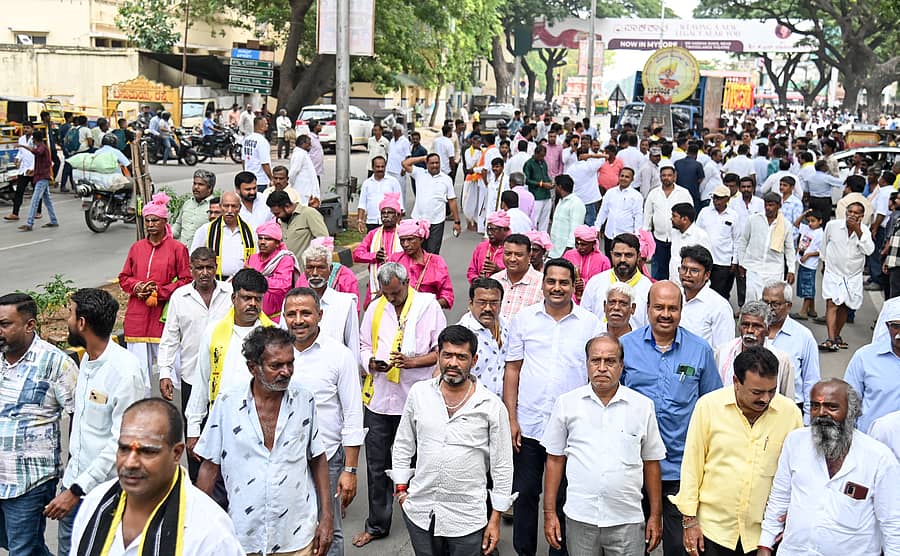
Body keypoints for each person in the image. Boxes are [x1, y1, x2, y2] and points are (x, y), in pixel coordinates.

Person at [195, 326, 334, 556]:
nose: (286, 371)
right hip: (244, 535)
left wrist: (327, 517)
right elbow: (209, 467)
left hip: (297, 535)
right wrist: (196, 524)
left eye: (290, 363)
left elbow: (317, 457)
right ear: (253, 367)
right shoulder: (227, 403)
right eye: (276, 366)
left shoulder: (304, 400)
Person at [503, 258, 604, 556]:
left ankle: (558, 552)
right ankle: (525, 552)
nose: (557, 288)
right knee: (525, 496)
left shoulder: (590, 324)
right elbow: (512, 370)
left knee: (563, 497)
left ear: (574, 286)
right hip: (530, 425)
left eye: (564, 282)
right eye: (551, 281)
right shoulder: (524, 319)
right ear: (542, 283)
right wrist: (511, 418)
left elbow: (595, 375)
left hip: (572, 429)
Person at [391, 325, 515, 555]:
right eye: (447, 355)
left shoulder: (490, 405)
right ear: (438, 355)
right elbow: (403, 443)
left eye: (461, 357)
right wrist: (401, 489)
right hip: (420, 511)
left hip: (467, 518)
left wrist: (495, 518)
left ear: (474, 360)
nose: (453, 363)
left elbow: (502, 466)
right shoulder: (419, 394)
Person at [620, 281, 722, 556]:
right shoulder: (624, 347)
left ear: (681, 310)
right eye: (659, 307)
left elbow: (714, 407)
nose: (665, 314)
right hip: (634, 466)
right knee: (630, 545)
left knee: (680, 547)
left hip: (681, 468)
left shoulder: (700, 350)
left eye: (672, 308)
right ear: (647, 309)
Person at [542, 333, 666, 555]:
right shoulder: (566, 404)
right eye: (595, 360)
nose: (601, 368)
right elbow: (554, 460)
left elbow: (651, 464)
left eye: (609, 361)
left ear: (621, 366)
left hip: (627, 519)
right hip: (580, 517)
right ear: (587, 364)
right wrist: (550, 512)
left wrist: (655, 516)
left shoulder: (642, 407)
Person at [71, 399, 245, 556]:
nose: (130, 463)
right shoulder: (95, 503)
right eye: (124, 449)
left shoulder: (210, 531)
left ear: (176, 453)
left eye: (147, 452)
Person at [672, 346, 802, 556]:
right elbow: (691, 466)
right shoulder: (708, 406)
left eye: (772, 391)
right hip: (713, 532)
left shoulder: (790, 414)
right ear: (736, 382)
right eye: (757, 392)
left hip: (764, 537)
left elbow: (798, 473)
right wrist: (689, 521)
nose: (766, 399)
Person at [48, 289, 149, 556]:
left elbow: (122, 442)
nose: (67, 321)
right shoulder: (88, 362)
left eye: (70, 314)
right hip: (74, 484)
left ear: (82, 323)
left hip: (106, 495)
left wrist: (78, 490)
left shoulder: (125, 372)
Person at [353, 263, 446, 548]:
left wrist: (413, 363)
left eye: (395, 293)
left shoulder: (428, 307)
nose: (391, 299)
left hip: (414, 399)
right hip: (380, 399)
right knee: (377, 465)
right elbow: (363, 344)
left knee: (419, 463)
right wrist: (370, 362)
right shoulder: (375, 307)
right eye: (387, 294)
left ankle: (421, 519)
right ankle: (378, 524)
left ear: (407, 283)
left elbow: (442, 351)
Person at [758, 379, 900, 555]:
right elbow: (779, 498)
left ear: (851, 411)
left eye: (832, 407)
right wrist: (765, 544)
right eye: (815, 406)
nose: (821, 413)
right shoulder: (795, 442)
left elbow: (893, 525)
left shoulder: (879, 459)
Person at [282, 288, 365, 556]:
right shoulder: (274, 354)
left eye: (305, 313)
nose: (298, 320)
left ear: (320, 315)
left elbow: (353, 414)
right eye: (291, 314)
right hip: (282, 459)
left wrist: (349, 471)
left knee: (328, 528)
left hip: (327, 459)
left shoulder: (339, 355)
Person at [0, 293, 77, 555]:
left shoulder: (56, 363)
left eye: (5, 324)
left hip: (29, 481)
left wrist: (73, 470)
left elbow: (78, 415)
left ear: (30, 325)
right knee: (21, 546)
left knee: (21, 549)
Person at [184, 269, 276, 459]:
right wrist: (193, 428)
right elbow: (202, 380)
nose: (252, 304)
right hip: (221, 425)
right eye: (246, 298)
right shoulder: (214, 331)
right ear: (234, 298)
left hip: (262, 427)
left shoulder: (273, 335)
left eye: (257, 299)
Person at [157, 247, 232, 476]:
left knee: (227, 436)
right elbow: (170, 337)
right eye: (199, 268)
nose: (205, 273)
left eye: (209, 267)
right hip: (191, 378)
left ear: (216, 267)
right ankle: (199, 490)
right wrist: (165, 372)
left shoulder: (230, 293)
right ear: (191, 270)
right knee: (195, 438)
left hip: (226, 379)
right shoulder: (180, 297)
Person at [119, 192, 192, 381]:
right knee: (138, 374)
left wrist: (160, 291)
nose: (150, 225)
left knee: (172, 370)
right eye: (148, 221)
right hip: (138, 315)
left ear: (164, 222)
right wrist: (138, 287)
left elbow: (186, 280)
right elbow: (124, 277)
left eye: (155, 220)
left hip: (164, 315)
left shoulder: (177, 248)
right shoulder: (137, 248)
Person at [762, 280, 821, 418]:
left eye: (775, 304)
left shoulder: (803, 336)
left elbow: (811, 380)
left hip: (791, 409)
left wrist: (807, 418)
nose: (769, 308)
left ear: (788, 306)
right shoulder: (754, 331)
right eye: (765, 303)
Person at [819, 201, 874, 351]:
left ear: (862, 216)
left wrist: (858, 230)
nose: (852, 215)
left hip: (852, 275)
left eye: (856, 213)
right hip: (833, 272)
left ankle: (836, 336)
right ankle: (830, 339)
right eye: (850, 211)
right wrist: (824, 263)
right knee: (831, 303)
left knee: (845, 305)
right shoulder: (833, 226)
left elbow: (869, 250)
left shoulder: (865, 231)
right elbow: (824, 244)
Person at [715, 301, 796, 398]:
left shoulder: (782, 360)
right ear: (739, 327)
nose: (749, 330)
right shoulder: (723, 352)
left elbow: (788, 401)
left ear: (768, 330)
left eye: (757, 326)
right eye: (745, 325)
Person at [290, 246, 360, 351]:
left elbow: (353, 346)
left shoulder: (346, 303)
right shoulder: (291, 302)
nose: (314, 273)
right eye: (310, 268)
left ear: (330, 269)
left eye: (320, 268)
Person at [843, 304, 900, 432]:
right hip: (871, 441)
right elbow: (849, 402)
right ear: (887, 326)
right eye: (896, 327)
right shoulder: (865, 357)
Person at [582, 233, 654, 329]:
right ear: (611, 254)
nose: (622, 260)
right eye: (618, 255)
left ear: (639, 256)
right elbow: (585, 319)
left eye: (628, 255)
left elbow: (650, 327)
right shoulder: (596, 282)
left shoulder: (648, 289)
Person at [737, 192, 796, 303]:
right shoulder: (753, 219)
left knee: (771, 303)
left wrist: (791, 270)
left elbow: (789, 249)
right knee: (751, 301)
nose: (768, 208)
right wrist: (741, 262)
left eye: (771, 205)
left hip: (774, 270)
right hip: (753, 267)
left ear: (779, 206)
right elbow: (743, 241)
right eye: (766, 205)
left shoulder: (786, 225)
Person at [457, 278, 508, 396]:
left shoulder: (507, 326)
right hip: (473, 407)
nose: (488, 308)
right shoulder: (461, 334)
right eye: (482, 302)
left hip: (501, 406)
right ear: (471, 303)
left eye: (494, 303)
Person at [678, 245, 735, 351]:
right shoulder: (675, 297)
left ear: (707, 275)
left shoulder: (719, 307)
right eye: (684, 268)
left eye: (694, 271)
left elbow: (724, 351)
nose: (687, 274)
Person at [644, 163, 694, 280]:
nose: (666, 178)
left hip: (678, 238)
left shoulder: (683, 193)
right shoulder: (654, 193)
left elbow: (690, 215)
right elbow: (647, 215)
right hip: (659, 239)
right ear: (660, 177)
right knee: (658, 271)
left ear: (674, 176)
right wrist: (646, 237)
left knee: (676, 269)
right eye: (664, 175)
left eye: (669, 175)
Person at [403, 153, 461, 254]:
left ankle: (431, 270)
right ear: (427, 164)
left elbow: (452, 200)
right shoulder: (419, 173)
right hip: (418, 221)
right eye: (432, 163)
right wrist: (422, 157)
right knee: (418, 252)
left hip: (436, 222)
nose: (435, 165)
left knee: (432, 252)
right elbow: (405, 163)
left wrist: (457, 222)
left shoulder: (446, 179)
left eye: (437, 163)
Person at [192, 191, 257, 280]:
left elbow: (256, 258)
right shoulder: (206, 230)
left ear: (240, 208)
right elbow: (194, 258)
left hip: (242, 282)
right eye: (226, 206)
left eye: (234, 206)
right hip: (214, 282)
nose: (230, 210)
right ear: (220, 206)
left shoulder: (250, 231)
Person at [354, 193, 404, 305]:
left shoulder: (404, 233)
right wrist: (374, 256)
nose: (386, 216)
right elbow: (357, 254)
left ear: (398, 215)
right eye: (383, 213)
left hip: (399, 282)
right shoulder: (373, 234)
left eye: (390, 212)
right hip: (376, 284)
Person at [246, 221, 302, 321]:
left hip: (276, 317)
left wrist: (256, 276)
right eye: (260, 238)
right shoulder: (252, 258)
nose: (262, 242)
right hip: (252, 315)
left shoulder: (284, 259)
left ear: (277, 243)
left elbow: (283, 286)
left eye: (268, 239)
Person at [696, 185, 741, 301]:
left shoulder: (733, 215)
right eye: (715, 198)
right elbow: (697, 234)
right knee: (703, 291)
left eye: (720, 198)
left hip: (723, 261)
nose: (717, 201)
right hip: (705, 259)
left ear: (727, 199)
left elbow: (737, 239)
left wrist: (734, 261)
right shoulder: (704, 212)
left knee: (721, 293)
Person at [265, 190, 329, 267]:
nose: (276, 216)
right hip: (287, 271)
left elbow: (324, 241)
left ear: (287, 206)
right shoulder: (282, 220)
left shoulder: (309, 213)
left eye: (278, 213)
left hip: (306, 271)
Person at [491, 233, 544, 321]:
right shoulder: (494, 280)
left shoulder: (542, 284)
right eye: (508, 254)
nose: (512, 259)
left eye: (518, 255)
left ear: (529, 254)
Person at [18, 130, 59, 232]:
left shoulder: (42, 148)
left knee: (35, 200)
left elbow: (36, 152)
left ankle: (29, 223)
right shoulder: (43, 147)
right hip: (41, 176)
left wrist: (23, 146)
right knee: (47, 201)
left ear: (34, 139)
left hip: (42, 178)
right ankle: (53, 220)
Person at [594, 167, 643, 253]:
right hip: (609, 234)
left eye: (627, 177)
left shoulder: (636, 196)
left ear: (632, 179)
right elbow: (603, 211)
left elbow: (638, 216)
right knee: (609, 261)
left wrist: (637, 235)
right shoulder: (610, 192)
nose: (623, 178)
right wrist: (597, 227)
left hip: (626, 237)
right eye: (622, 176)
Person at [563, 225, 611, 303]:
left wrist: (585, 283)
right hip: (569, 299)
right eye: (577, 243)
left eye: (583, 244)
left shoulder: (603, 261)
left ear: (593, 243)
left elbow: (605, 284)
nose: (579, 247)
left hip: (592, 300)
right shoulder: (568, 255)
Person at [668, 203, 712, 286]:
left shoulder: (701, 236)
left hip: (692, 286)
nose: (671, 219)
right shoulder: (674, 232)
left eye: (674, 216)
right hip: (674, 283)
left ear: (684, 219)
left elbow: (706, 264)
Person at [357, 156, 403, 232]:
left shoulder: (393, 182)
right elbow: (362, 204)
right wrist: (360, 220)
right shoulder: (367, 183)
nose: (380, 169)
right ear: (372, 167)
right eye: (377, 167)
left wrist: (398, 222)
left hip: (389, 222)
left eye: (382, 166)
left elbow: (400, 205)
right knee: (373, 243)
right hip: (372, 222)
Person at [793, 209, 825, 319]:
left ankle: (803, 311)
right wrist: (804, 214)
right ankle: (812, 310)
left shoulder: (820, 234)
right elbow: (796, 223)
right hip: (803, 263)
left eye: (813, 221)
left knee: (807, 287)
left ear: (820, 221)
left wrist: (809, 255)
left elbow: (821, 251)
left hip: (810, 264)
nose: (811, 223)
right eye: (809, 221)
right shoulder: (807, 228)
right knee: (806, 286)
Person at [174, 170, 216, 245]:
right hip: (182, 252)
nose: (196, 187)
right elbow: (178, 226)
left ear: (209, 188)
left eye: (200, 184)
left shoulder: (215, 207)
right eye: (194, 183)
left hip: (201, 254)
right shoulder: (187, 204)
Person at [548, 174, 586, 258]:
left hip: (565, 253)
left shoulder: (576, 203)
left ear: (560, 187)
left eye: (555, 185)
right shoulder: (561, 201)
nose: (554, 188)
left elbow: (575, 230)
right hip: (554, 252)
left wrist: (566, 254)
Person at [467, 210, 510, 282]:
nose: (489, 233)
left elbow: (517, 275)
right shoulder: (481, 247)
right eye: (488, 229)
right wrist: (477, 279)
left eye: (494, 230)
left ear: (505, 230)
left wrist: (498, 271)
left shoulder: (512, 249)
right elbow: (471, 271)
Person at [524, 145, 554, 231]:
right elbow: (527, 180)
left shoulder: (544, 162)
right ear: (535, 154)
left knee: (545, 219)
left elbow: (545, 175)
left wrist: (550, 182)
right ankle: (532, 237)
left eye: (543, 156)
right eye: (540, 156)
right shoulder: (529, 164)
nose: (542, 158)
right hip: (536, 195)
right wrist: (541, 184)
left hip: (546, 195)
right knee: (534, 219)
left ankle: (543, 237)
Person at [288, 135, 322, 206]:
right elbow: (293, 172)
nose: (310, 146)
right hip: (302, 191)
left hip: (306, 192)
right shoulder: (299, 154)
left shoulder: (303, 153)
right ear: (302, 143)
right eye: (308, 144)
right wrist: (290, 186)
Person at [242, 116, 273, 191]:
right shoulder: (262, 141)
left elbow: (243, 160)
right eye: (266, 124)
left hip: (248, 179)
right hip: (260, 180)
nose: (267, 125)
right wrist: (271, 178)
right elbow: (265, 163)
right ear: (261, 126)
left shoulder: (247, 139)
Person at [386, 124, 411, 203]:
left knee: (400, 190)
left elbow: (408, 156)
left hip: (399, 170)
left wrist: (404, 168)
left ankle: (401, 208)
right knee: (390, 190)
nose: (392, 132)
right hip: (389, 169)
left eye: (394, 130)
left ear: (399, 131)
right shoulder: (392, 140)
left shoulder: (405, 141)